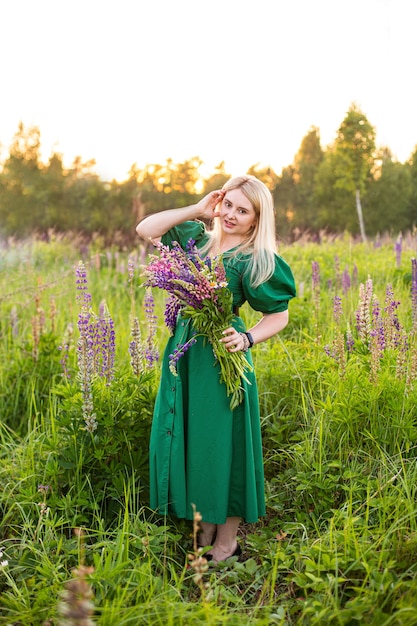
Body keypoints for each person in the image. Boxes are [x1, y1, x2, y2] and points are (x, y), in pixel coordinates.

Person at [136, 175, 296, 563]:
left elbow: (279, 315)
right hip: (186, 354)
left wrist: (248, 339)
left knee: (226, 445)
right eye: (229, 204)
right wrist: (197, 208)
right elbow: (146, 229)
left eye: (243, 211)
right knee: (195, 439)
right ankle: (203, 525)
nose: (231, 215)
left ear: (257, 220)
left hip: (224, 355)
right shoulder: (194, 240)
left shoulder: (254, 259)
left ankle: (227, 543)